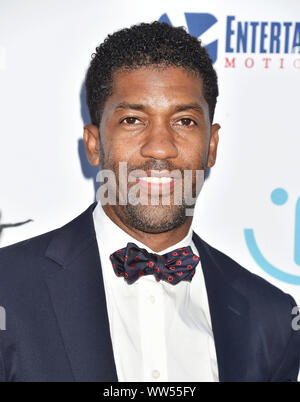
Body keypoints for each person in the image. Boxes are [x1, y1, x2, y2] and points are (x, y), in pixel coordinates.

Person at [0, 21, 299, 383]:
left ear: (212, 146)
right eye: (132, 120)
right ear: (94, 144)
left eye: (185, 121)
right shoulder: (9, 288)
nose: (160, 147)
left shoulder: (273, 318)